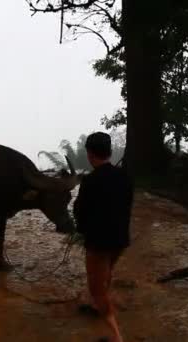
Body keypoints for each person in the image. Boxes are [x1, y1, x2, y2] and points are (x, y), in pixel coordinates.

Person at [73, 132, 134, 342]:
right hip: (120, 240)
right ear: (108, 151)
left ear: (90, 154)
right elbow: (127, 207)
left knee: (96, 289)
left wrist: (80, 230)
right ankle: (96, 306)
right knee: (106, 274)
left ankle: (116, 336)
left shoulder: (90, 181)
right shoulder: (125, 177)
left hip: (98, 243)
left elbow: (80, 212)